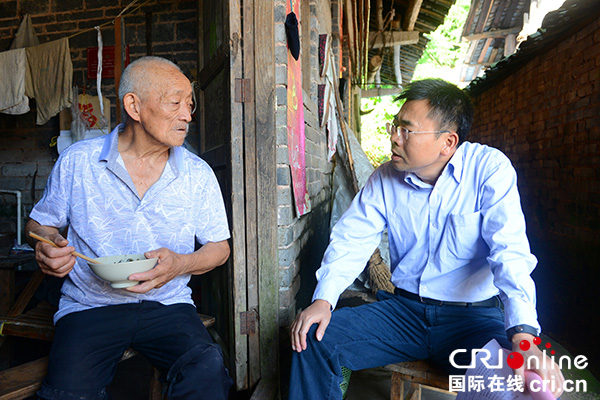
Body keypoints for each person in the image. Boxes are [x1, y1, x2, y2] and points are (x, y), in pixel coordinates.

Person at [289, 79, 565, 399]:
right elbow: (352, 239)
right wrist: (324, 299)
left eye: (407, 130)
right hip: (404, 314)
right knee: (312, 339)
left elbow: (510, 253)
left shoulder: (489, 170)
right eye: (395, 127)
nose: (394, 137)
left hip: (472, 320)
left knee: (521, 383)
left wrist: (524, 337)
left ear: (447, 142)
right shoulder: (384, 178)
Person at [26, 56, 233, 400]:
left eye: (189, 104)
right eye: (175, 103)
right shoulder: (79, 161)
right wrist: (47, 244)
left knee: (207, 371)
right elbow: (41, 223)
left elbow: (219, 248)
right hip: (89, 305)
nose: (187, 115)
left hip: (168, 304)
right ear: (134, 106)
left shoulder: (198, 174)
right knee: (67, 393)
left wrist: (179, 265)